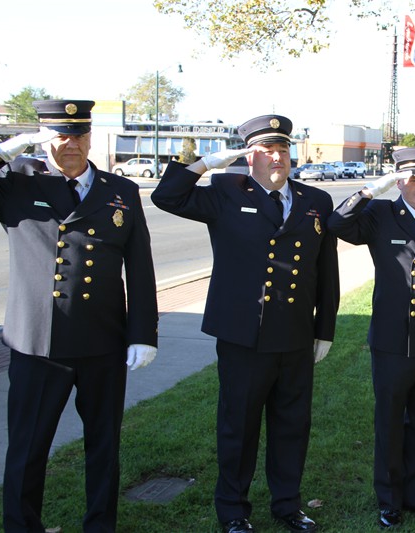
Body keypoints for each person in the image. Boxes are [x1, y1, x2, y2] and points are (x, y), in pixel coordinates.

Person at [0, 99, 159, 532]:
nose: (70, 144)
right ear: (43, 139)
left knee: (104, 446)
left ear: (91, 137)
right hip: (37, 344)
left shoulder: (119, 190)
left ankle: (99, 525)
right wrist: (1, 152)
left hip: (103, 341)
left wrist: (143, 332)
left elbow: (140, 266)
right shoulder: (15, 184)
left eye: (79, 135)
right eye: (59, 136)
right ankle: (21, 526)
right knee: (28, 448)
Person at [151, 114, 339, 533]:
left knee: (293, 425)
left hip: (294, 334)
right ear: (249, 155)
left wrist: (324, 327)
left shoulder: (314, 201)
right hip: (243, 334)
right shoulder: (225, 191)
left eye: (283, 150)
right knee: (239, 426)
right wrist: (205, 165)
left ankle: (287, 504)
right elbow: (166, 197)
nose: (277, 157)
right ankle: (233, 510)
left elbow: (327, 269)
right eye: (267, 149)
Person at [327, 147, 415, 529]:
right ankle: (389, 501)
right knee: (390, 424)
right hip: (393, 341)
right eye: (414, 179)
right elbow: (337, 224)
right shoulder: (379, 215)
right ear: (400, 181)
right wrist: (371, 190)